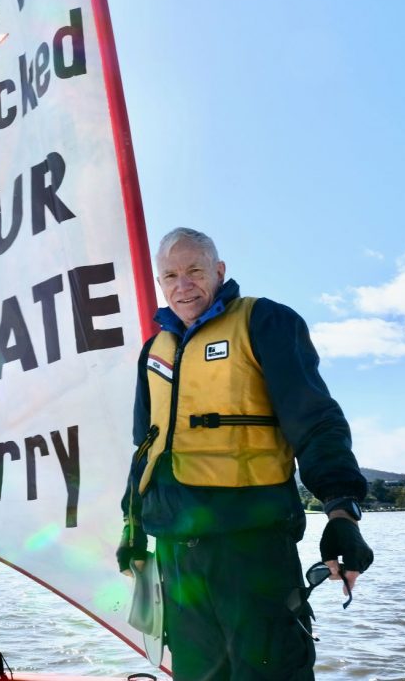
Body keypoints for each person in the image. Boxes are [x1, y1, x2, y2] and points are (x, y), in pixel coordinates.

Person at [117, 227, 373, 680]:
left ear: (219, 271)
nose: (182, 285)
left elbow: (316, 421)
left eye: (194, 271)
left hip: (253, 551)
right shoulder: (154, 352)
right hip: (177, 560)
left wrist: (341, 513)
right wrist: (132, 529)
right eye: (171, 275)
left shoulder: (265, 321)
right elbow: (146, 450)